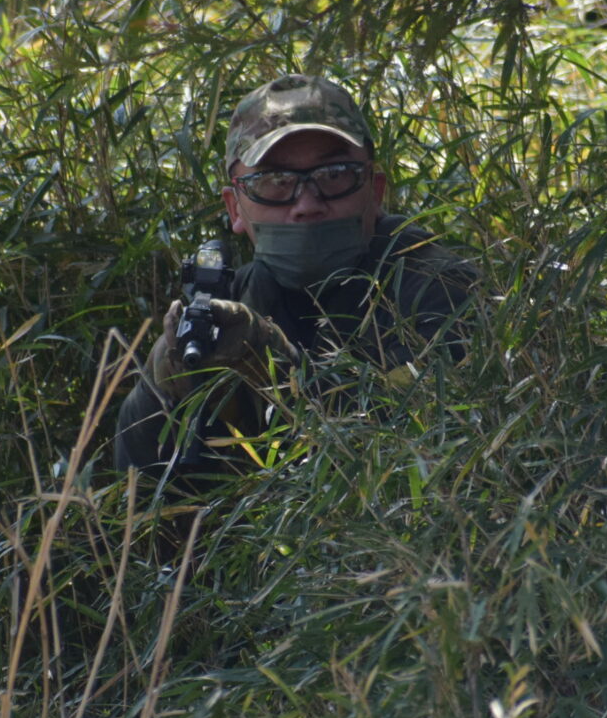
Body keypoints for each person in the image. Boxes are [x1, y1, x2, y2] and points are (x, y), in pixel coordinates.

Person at [114, 74, 477, 476]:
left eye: (334, 174)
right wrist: (168, 382)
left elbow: (394, 454)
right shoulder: (234, 301)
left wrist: (266, 362)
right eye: (274, 181)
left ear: (374, 191)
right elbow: (139, 486)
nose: (306, 204)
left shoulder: (439, 288)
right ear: (235, 208)